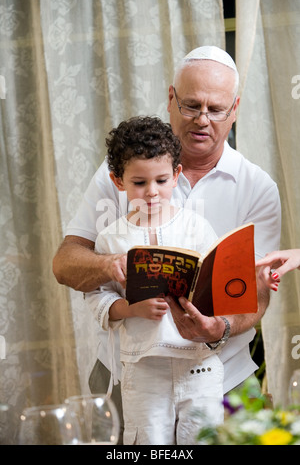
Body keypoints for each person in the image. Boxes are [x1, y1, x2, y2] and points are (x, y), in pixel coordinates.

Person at [52, 46, 281, 442]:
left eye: (217, 109)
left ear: (236, 108)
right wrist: (112, 266)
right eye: (191, 105)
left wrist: (218, 328)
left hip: (220, 374)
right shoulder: (120, 172)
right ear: (171, 97)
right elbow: (65, 263)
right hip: (130, 371)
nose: (202, 120)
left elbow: (256, 289)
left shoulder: (257, 187)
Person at [87, 115, 224, 445]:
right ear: (117, 180)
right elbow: (96, 298)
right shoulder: (110, 239)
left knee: (206, 438)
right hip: (143, 363)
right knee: (148, 442)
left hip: (198, 362)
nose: (151, 192)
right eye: (139, 182)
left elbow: (217, 284)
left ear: (176, 175)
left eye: (161, 181)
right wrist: (131, 309)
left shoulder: (196, 227)